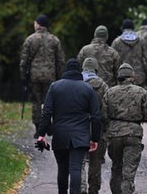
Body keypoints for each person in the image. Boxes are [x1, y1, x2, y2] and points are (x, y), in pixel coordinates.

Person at [36, 58, 101, 194]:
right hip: (81, 137)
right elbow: (95, 116)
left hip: (60, 135)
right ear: (79, 72)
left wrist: (41, 134)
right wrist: (95, 139)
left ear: (66, 70)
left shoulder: (55, 87)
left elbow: (47, 112)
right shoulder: (88, 89)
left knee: (62, 169)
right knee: (76, 168)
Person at [102, 63, 147, 194]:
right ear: (132, 76)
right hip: (133, 134)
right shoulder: (141, 92)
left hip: (114, 135)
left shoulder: (109, 92)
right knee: (128, 173)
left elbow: (103, 116)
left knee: (116, 167)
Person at [20, 14, 65, 138]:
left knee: (36, 101)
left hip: (35, 76)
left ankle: (38, 127)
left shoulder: (30, 39)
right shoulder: (54, 40)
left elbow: (24, 59)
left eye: (35, 23)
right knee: (49, 101)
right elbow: (60, 60)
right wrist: (61, 77)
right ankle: (49, 124)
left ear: (38, 24)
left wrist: (23, 76)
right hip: (50, 75)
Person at [79, 57, 109, 194]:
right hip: (98, 128)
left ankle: (81, 187)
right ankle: (93, 190)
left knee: (78, 161)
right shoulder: (102, 84)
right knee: (95, 162)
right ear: (96, 69)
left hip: (78, 127)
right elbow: (107, 108)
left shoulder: (77, 82)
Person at [111, 19, 147, 88]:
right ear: (133, 28)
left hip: (122, 76)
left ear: (122, 28)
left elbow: (112, 60)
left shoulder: (116, 42)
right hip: (138, 77)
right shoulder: (141, 40)